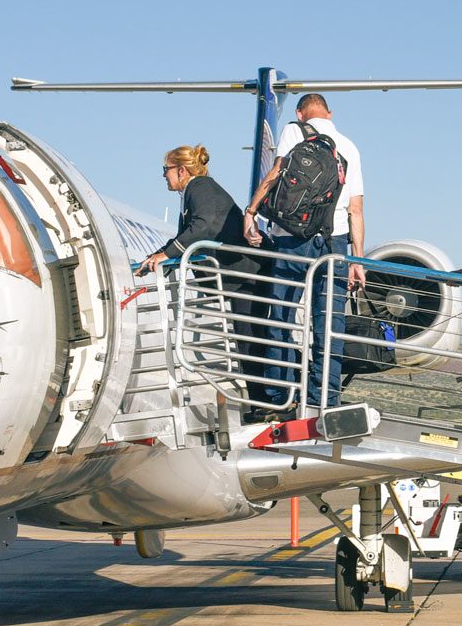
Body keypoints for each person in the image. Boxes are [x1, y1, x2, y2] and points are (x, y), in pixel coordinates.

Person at [243, 94, 365, 411]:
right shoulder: (349, 146)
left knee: (281, 318)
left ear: (301, 113)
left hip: (290, 239)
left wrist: (251, 210)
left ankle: (280, 396)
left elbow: (276, 173)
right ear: (330, 113)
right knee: (329, 325)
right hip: (334, 243)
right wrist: (357, 260)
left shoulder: (294, 132)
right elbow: (356, 209)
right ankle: (323, 397)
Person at [138, 145, 271, 408]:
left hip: (246, 274)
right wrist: (157, 256)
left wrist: (168, 254)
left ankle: (265, 400)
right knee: (246, 339)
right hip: (241, 276)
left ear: (181, 170)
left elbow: (204, 225)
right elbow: (185, 235)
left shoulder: (201, 188)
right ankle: (261, 401)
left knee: (251, 338)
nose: (164, 175)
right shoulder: (195, 192)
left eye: (166, 170)